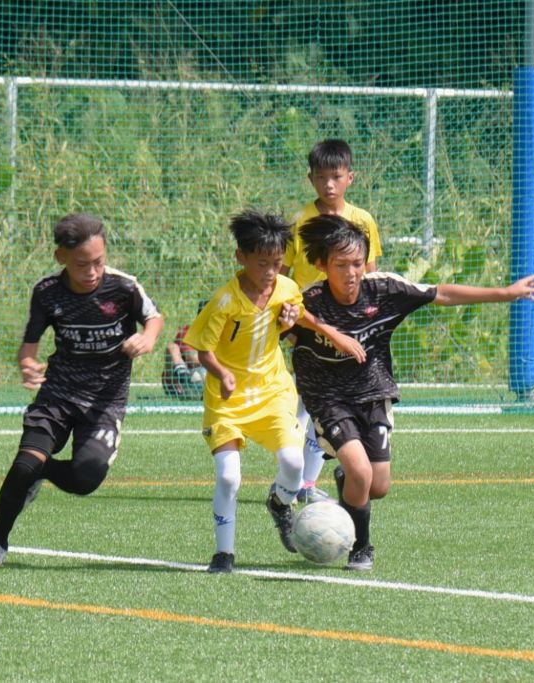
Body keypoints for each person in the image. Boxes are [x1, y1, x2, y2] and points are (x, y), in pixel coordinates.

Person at [291, 214, 534, 571]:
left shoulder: (384, 289)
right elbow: (280, 313)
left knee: (378, 486)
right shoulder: (311, 300)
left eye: (357, 263)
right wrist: (329, 332)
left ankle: (348, 482)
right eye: (341, 265)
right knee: (361, 472)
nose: (351, 273)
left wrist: (504, 293)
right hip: (328, 398)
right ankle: (361, 547)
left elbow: (441, 293)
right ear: (321, 264)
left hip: (373, 394)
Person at [0, 213, 164, 568]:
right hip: (58, 395)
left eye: (98, 262)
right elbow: (29, 345)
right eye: (82, 264)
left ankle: (44, 472)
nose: (92, 271)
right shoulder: (47, 292)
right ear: (61, 257)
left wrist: (148, 338)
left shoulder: (123, 287)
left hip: (104, 403)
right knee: (24, 464)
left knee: (85, 478)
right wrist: (27, 364)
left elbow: (154, 318)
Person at [184, 209, 364, 574]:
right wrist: (222, 373)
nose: (270, 271)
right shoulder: (224, 301)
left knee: (294, 463)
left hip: (272, 392)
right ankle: (224, 554)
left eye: (277, 263)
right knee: (229, 477)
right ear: (241, 257)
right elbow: (203, 351)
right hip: (227, 400)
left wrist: (330, 333)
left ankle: (280, 503)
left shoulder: (285, 287)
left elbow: (297, 314)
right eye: (262, 263)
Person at [281, 139, 385, 504]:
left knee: (332, 404)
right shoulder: (299, 222)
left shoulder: (363, 221)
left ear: (350, 178)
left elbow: (371, 278)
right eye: (321, 177)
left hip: (350, 329)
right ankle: (292, 480)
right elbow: (282, 276)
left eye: (336, 176)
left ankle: (307, 484)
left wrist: (369, 326)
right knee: (304, 404)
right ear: (310, 178)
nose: (329, 184)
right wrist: (289, 326)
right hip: (308, 323)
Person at [161, 300, 207, 401]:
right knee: (172, 347)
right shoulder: (188, 331)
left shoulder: (221, 334)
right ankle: (183, 378)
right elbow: (192, 358)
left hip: (204, 378)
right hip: (182, 382)